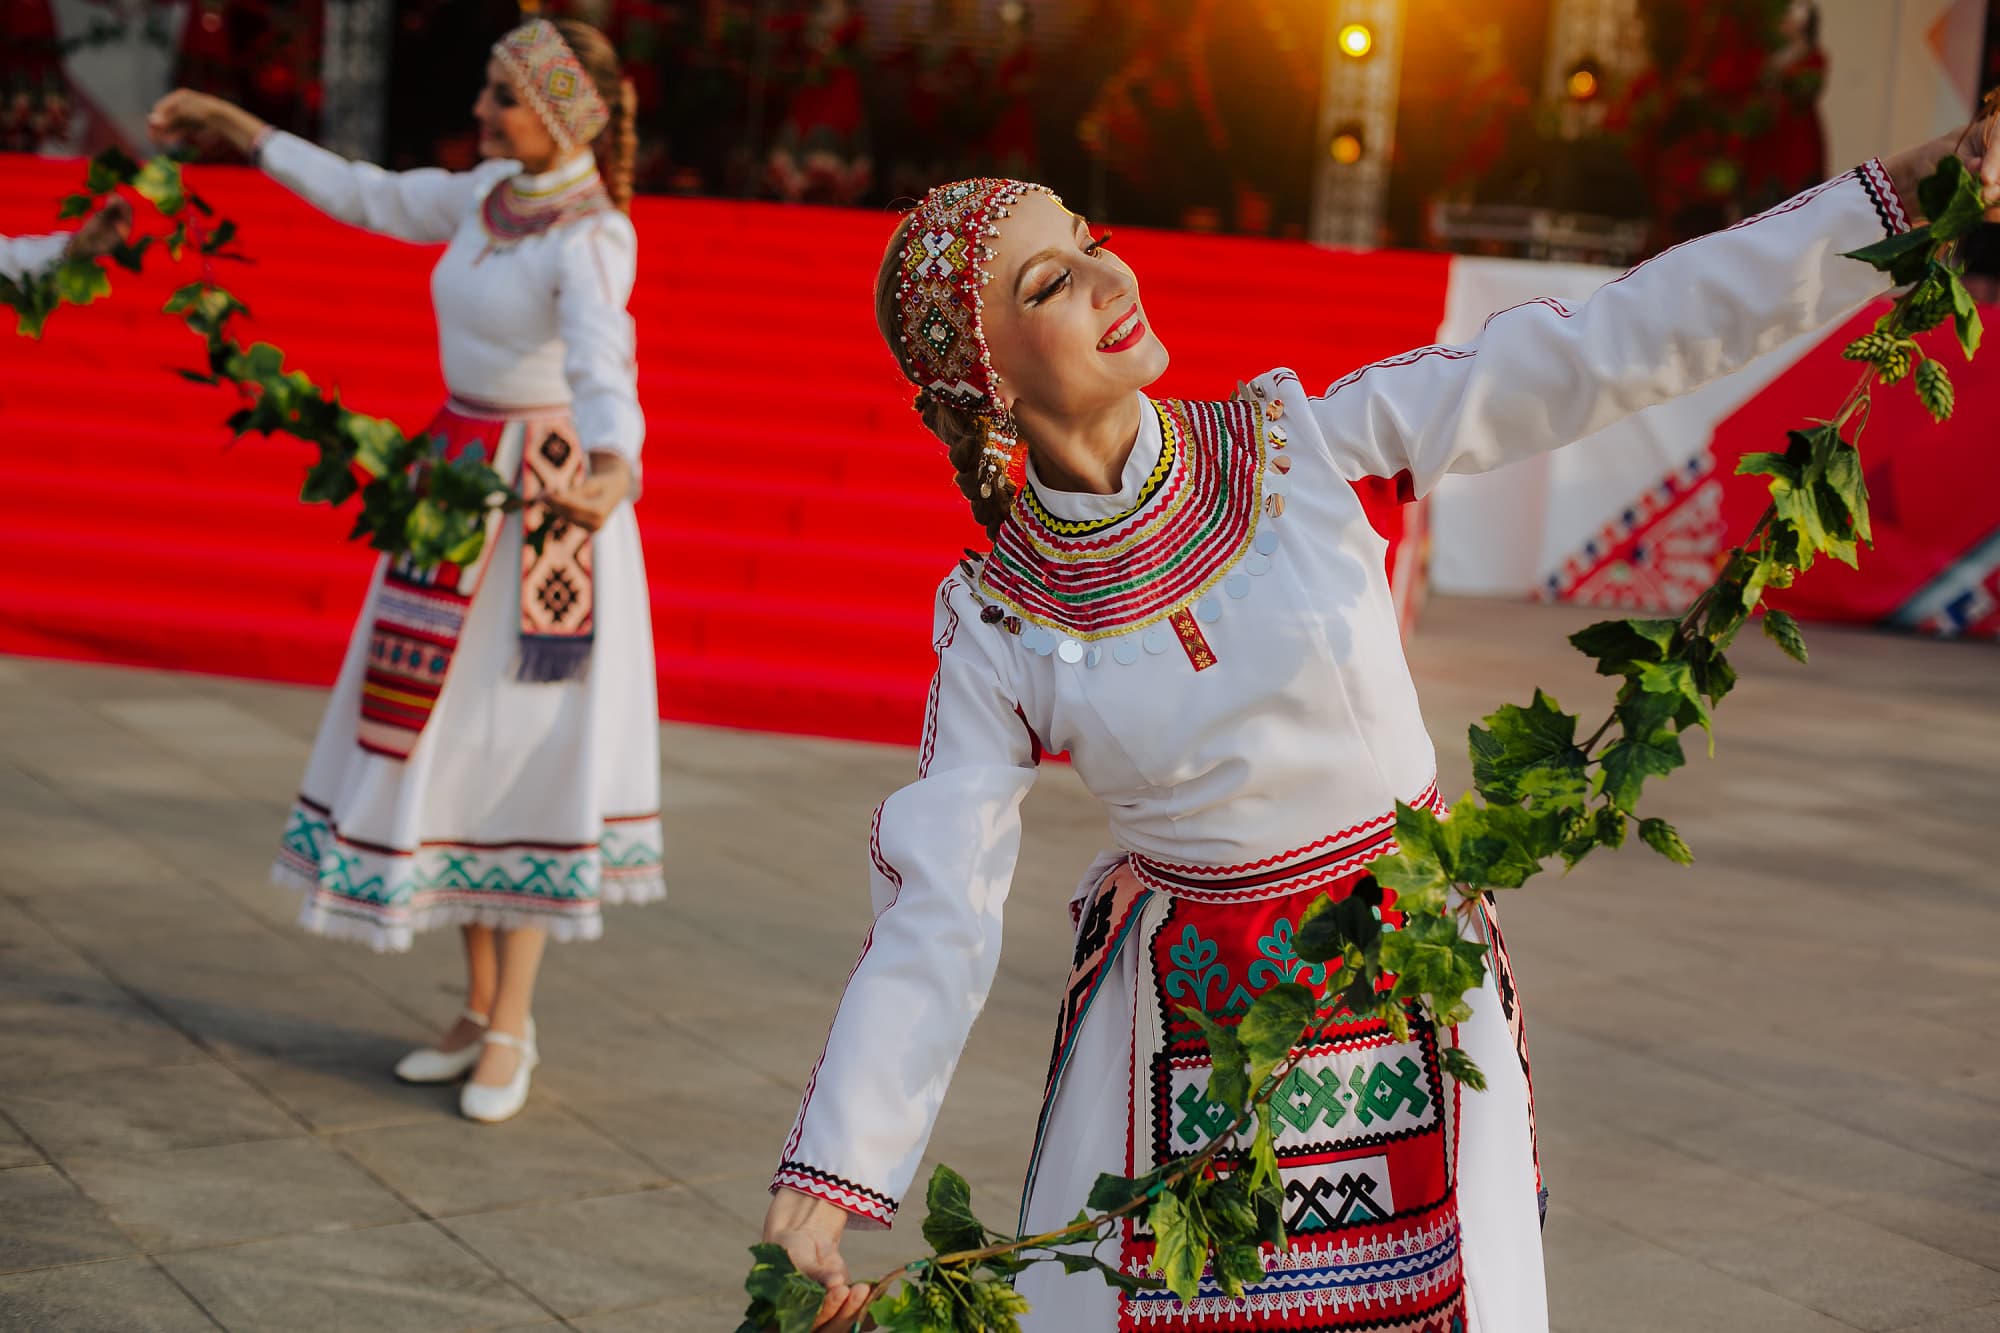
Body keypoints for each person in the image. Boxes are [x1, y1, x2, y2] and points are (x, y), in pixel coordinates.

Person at [758, 123, 1999, 1331]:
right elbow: (938, 910)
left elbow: (1610, 344)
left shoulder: (1298, 444)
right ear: (982, 376)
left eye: (1091, 242)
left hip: (1405, 976)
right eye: (1050, 282)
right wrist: (827, 1184)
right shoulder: (996, 617)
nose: (1107, 279)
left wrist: (1886, 199)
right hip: (1180, 1037)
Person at [146, 16, 661, 1125]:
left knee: (520, 745)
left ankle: (513, 1023)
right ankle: (476, 1008)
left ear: (563, 114)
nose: (482, 113)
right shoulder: (481, 200)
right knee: (441, 734)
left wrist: (614, 464)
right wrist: (241, 129)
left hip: (544, 505)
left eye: (504, 99)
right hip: (450, 483)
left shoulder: (588, 235)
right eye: (486, 91)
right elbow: (366, 193)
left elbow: (598, 358)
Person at [0, 195, 131, 280]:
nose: (92, 218)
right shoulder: (64, 240)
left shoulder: (70, 261)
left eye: (99, 217)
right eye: (98, 215)